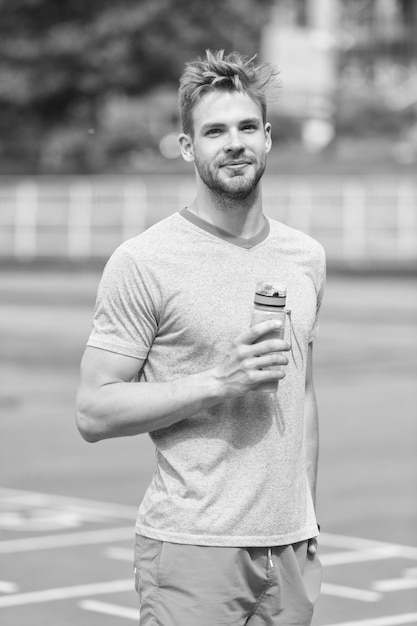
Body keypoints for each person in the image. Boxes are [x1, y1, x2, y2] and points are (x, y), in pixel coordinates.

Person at [76, 49, 326, 626]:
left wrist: (306, 515)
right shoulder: (144, 261)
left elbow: (304, 393)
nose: (233, 142)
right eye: (214, 131)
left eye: (245, 128)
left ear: (267, 138)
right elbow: (93, 410)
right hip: (192, 548)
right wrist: (220, 381)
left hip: (290, 550)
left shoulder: (305, 257)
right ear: (189, 147)